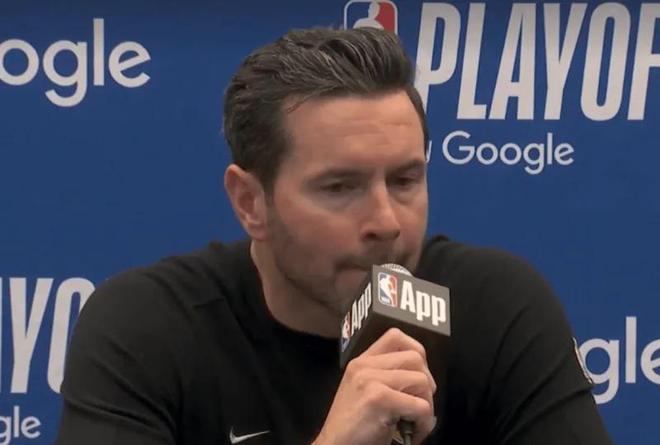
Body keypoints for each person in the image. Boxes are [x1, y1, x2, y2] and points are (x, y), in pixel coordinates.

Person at [55, 27, 612, 445]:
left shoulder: (496, 305)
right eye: (340, 187)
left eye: (405, 180)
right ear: (250, 203)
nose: (386, 221)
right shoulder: (147, 327)